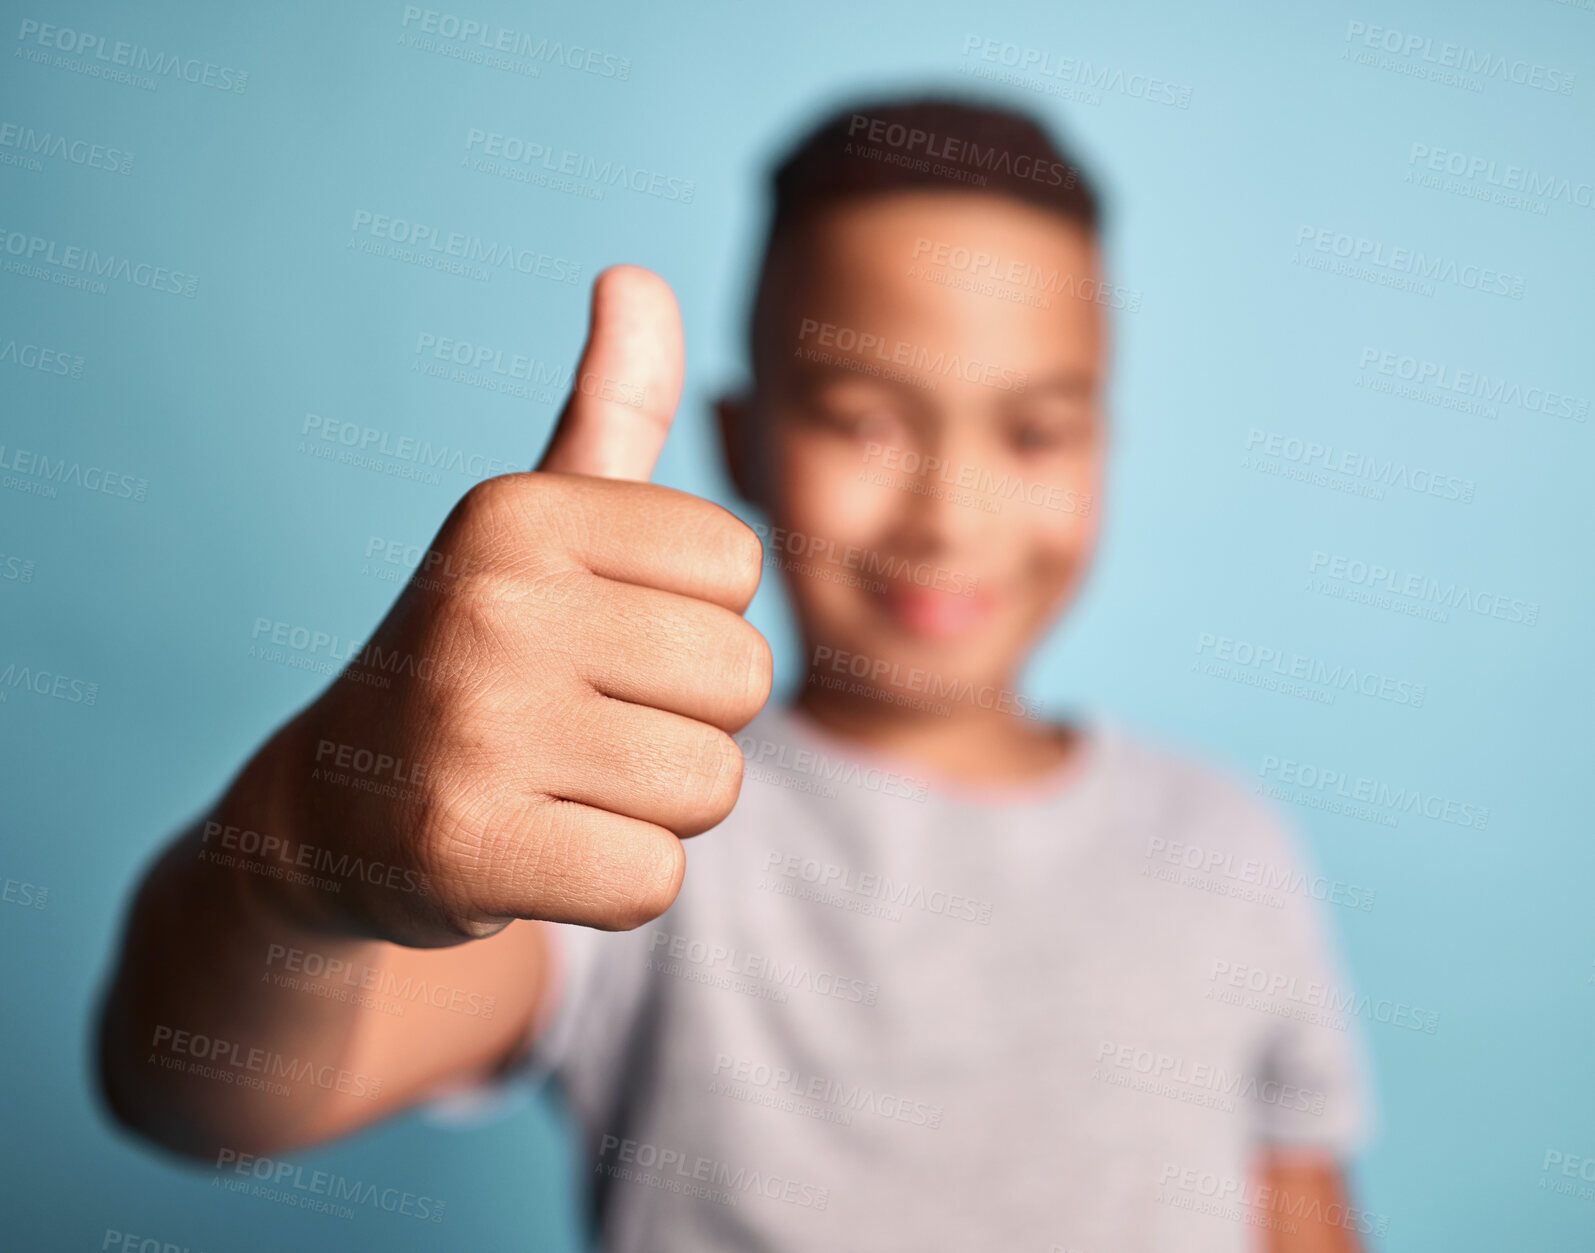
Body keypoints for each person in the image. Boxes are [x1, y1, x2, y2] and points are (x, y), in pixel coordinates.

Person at [97, 96, 1372, 1251]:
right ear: (739, 440)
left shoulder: (1228, 846)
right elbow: (195, 1087)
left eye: (1035, 430)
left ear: (1104, 444)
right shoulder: (619, 822)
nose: (951, 514)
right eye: (863, 420)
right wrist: (301, 856)